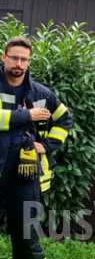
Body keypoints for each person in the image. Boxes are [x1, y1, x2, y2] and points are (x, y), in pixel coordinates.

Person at [0, 37, 72, 259]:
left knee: (26, 237)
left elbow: (64, 119)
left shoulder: (41, 94)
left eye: (24, 59)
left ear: (29, 62)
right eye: (14, 58)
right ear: (4, 57)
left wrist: (47, 145)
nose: (19, 64)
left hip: (25, 174)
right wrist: (26, 115)